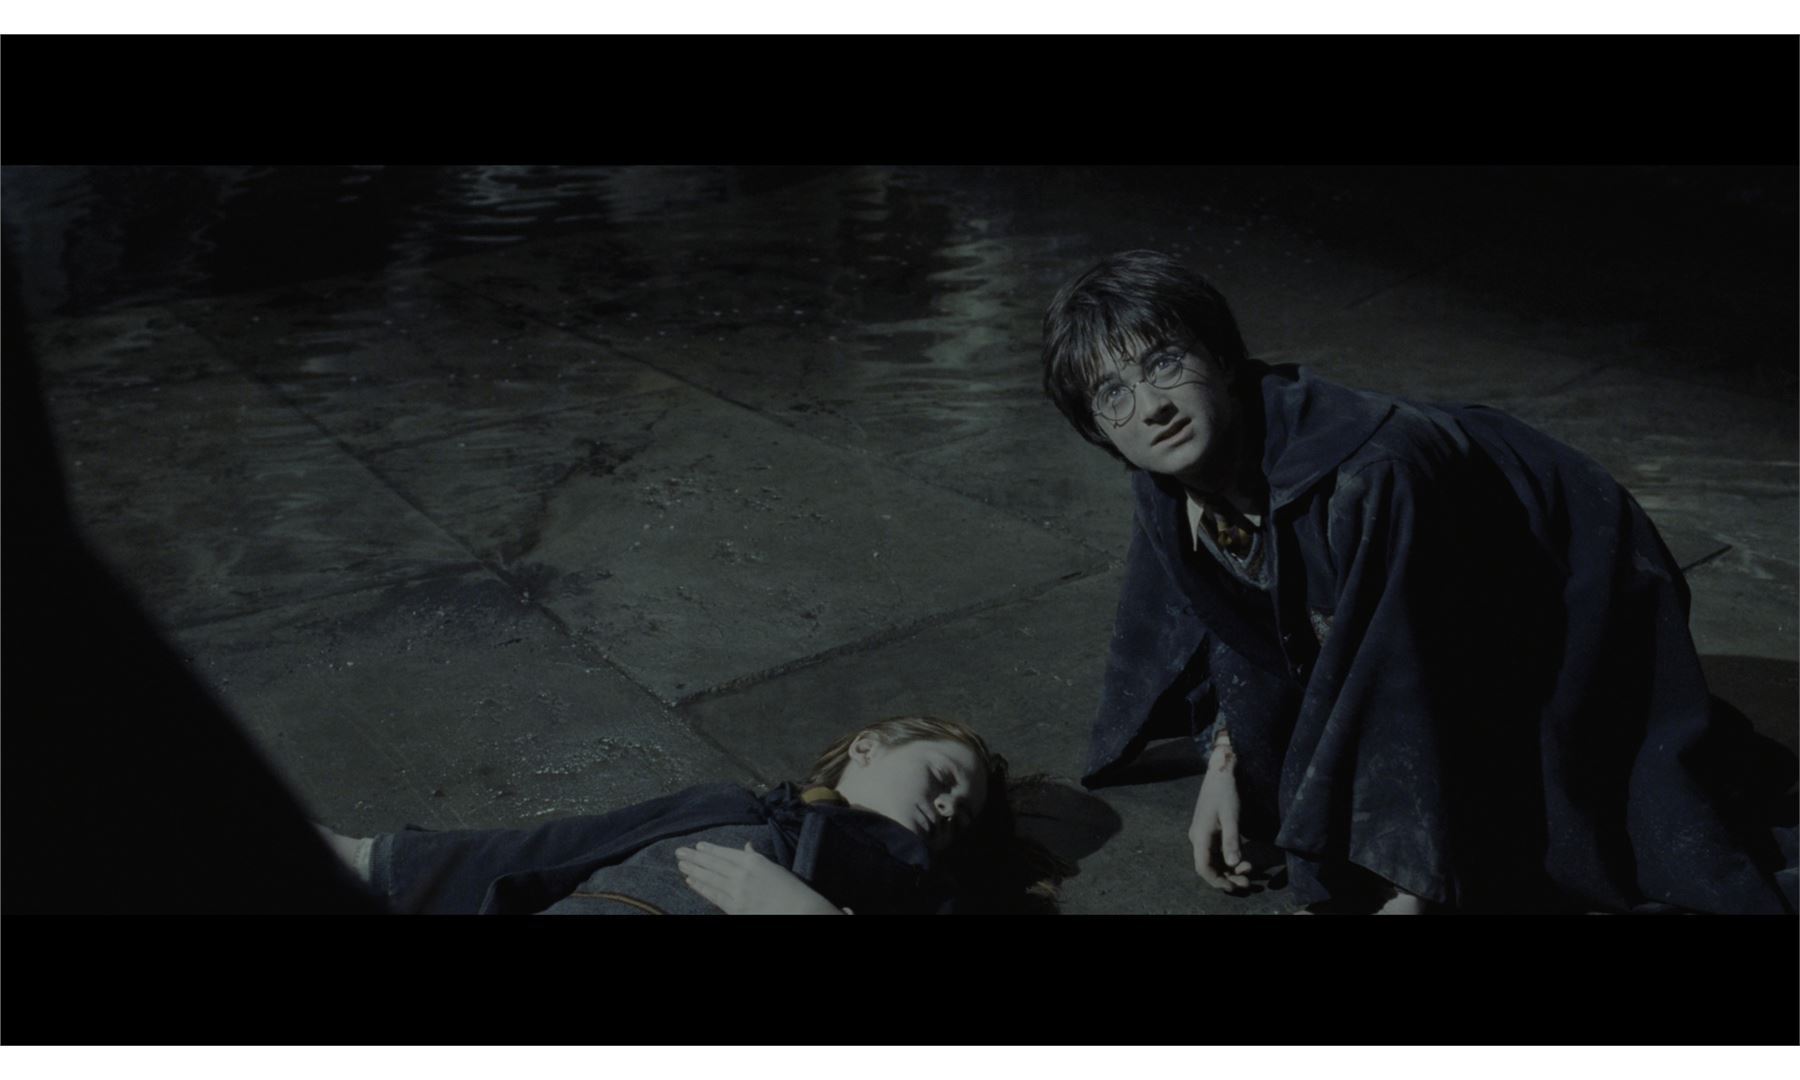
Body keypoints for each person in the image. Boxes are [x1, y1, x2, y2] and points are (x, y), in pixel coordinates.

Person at [1040, 249, 1797, 914]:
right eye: (1113, 396)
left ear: (1222, 357)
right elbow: (1240, 619)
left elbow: (1405, 668)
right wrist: (1227, 762)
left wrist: (1405, 882)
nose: (1152, 408)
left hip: (1563, 566)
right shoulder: (1168, 476)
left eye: (1164, 363)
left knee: (1580, 824)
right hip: (1424, 570)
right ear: (1098, 430)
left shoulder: (1373, 477)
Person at [319, 715, 1064, 914]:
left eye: (962, 816)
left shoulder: (918, 889)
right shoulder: (738, 807)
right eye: (942, 778)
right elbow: (559, 848)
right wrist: (373, 861)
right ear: (868, 747)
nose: (947, 807)